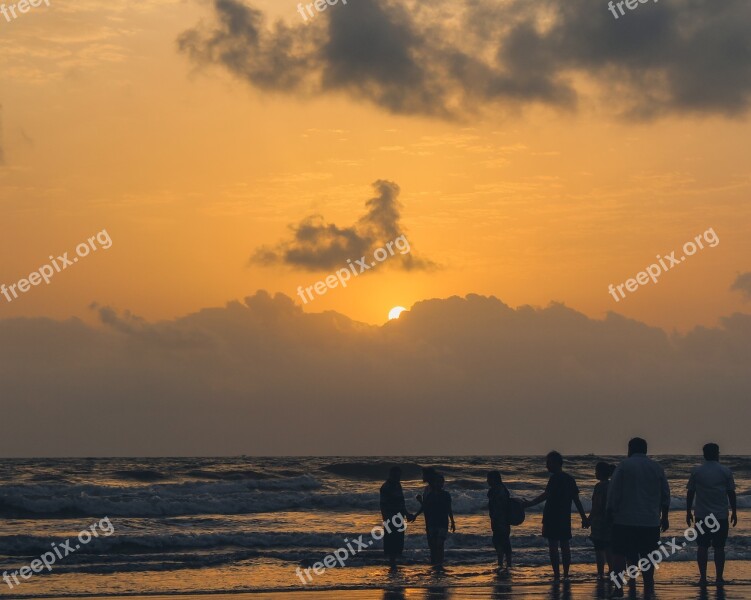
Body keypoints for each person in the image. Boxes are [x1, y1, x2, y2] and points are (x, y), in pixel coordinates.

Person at [607, 437, 670, 597]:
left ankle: (619, 587)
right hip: (650, 520)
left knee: (619, 553)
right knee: (648, 555)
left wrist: (610, 511)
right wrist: (665, 517)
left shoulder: (623, 466)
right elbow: (665, 494)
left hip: (624, 519)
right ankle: (648, 585)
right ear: (645, 450)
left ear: (630, 449)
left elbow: (614, 492)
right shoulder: (656, 468)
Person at [523, 451, 589, 580]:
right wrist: (584, 517)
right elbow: (577, 500)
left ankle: (557, 575)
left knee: (553, 546)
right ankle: (565, 574)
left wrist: (530, 503)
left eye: (549, 462)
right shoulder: (570, 479)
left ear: (557, 463)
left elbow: (546, 495)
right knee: (565, 545)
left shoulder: (555, 478)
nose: (547, 465)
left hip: (552, 516)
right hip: (564, 517)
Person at [686, 443, 737, 586]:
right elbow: (731, 493)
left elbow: (690, 492)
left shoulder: (697, 471)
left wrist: (688, 511)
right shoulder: (725, 471)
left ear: (704, 454)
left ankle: (703, 578)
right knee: (719, 547)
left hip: (702, 515)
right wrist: (734, 511)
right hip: (720, 515)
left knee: (702, 546)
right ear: (717, 454)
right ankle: (719, 577)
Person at [379, 466, 413, 568]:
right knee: (391, 543)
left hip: (399, 517)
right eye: (396, 475)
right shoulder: (386, 487)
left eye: (399, 475)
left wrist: (406, 514)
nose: (398, 477)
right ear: (391, 475)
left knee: (398, 542)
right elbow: (383, 505)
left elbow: (401, 502)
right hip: (390, 518)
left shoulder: (398, 485)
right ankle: (392, 564)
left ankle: (394, 565)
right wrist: (387, 519)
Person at [588, 462, 616, 580]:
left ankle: (600, 573)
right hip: (610, 521)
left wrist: (588, 519)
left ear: (601, 473)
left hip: (599, 521)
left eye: (596, 471)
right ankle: (611, 571)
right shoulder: (611, 486)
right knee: (608, 547)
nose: (595, 473)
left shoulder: (599, 486)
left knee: (599, 549)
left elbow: (596, 506)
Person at [422, 474, 455, 566]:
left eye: (441, 482)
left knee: (440, 544)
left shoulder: (446, 494)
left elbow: (449, 508)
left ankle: (440, 562)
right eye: (437, 482)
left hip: (443, 522)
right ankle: (434, 563)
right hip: (432, 522)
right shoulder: (430, 495)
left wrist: (452, 521)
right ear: (434, 483)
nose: (439, 484)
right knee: (433, 545)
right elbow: (425, 508)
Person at [487, 470, 512, 572]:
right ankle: (505, 564)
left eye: (489, 479)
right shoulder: (500, 489)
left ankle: (503, 564)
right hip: (501, 521)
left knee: (500, 542)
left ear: (494, 479)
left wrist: (496, 518)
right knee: (502, 542)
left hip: (500, 521)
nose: (487, 481)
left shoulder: (498, 490)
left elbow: (499, 507)